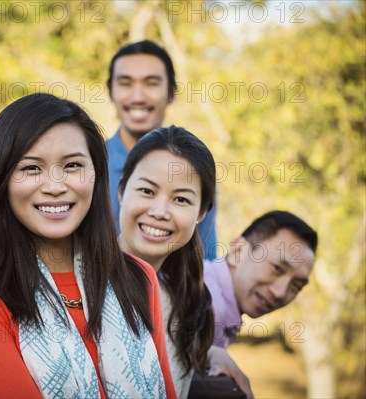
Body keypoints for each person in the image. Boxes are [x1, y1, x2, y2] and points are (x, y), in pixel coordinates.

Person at [0, 93, 177, 398]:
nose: (55, 186)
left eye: (72, 166)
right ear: (0, 181)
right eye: (31, 168)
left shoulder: (137, 277)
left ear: (96, 175)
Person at [117, 126, 216, 398]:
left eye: (181, 199)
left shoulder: (186, 307)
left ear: (202, 212)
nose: (159, 212)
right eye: (147, 191)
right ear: (122, 192)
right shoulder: (73, 279)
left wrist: (214, 354)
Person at [106, 40, 218, 259]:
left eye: (151, 83)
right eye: (126, 83)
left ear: (171, 93)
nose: (138, 97)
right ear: (110, 92)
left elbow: (203, 259)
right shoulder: (86, 165)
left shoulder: (195, 171)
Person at [204, 210, 318, 349]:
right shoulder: (205, 305)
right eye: (277, 268)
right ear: (238, 251)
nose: (280, 292)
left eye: (296, 286)